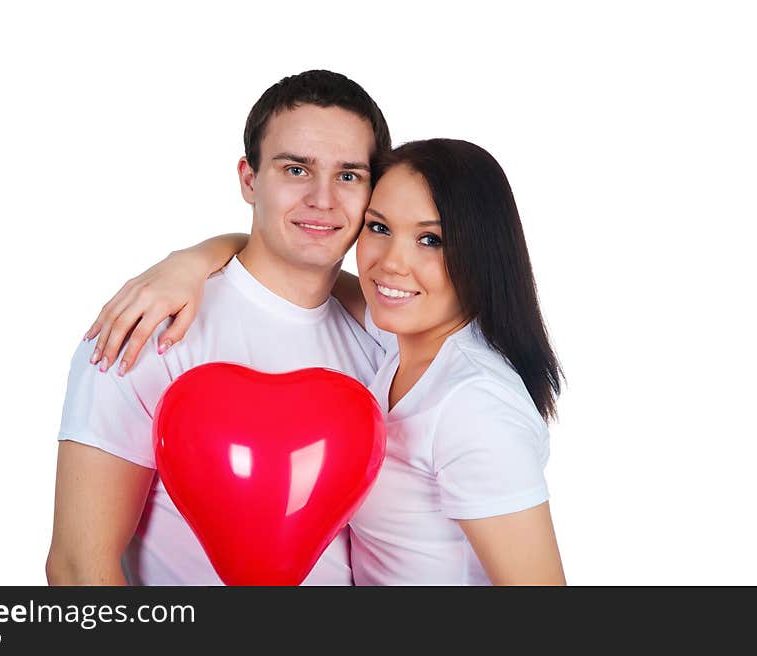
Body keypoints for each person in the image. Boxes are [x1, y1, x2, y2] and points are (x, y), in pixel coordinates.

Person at [87, 138, 567, 585]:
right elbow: (288, 265)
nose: (391, 263)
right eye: (379, 228)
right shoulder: (396, 341)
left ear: (482, 253)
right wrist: (191, 260)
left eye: (430, 240)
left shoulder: (474, 404)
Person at [46, 69, 392, 585]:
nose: (323, 198)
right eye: (296, 169)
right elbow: (77, 568)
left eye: (348, 175)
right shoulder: (149, 327)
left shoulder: (383, 336)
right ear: (250, 180)